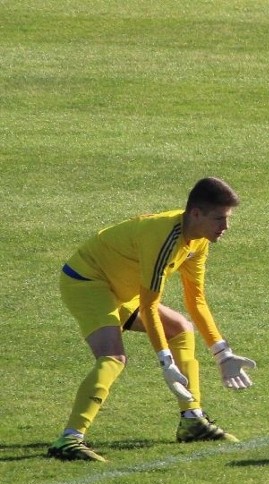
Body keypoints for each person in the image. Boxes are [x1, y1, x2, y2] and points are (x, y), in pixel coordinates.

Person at [48, 177, 256, 462]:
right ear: (196, 213)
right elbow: (149, 306)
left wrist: (222, 353)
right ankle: (69, 439)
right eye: (219, 218)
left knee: (181, 328)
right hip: (88, 281)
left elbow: (195, 299)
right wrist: (165, 362)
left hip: (120, 288)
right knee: (113, 357)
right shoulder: (164, 238)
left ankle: (192, 419)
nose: (226, 227)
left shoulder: (198, 241)